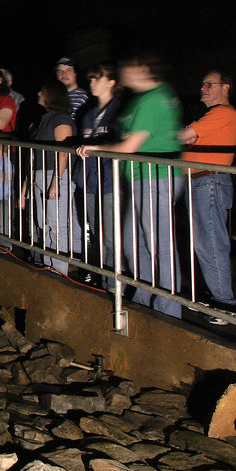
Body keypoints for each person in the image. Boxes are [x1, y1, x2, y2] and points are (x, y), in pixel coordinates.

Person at [77, 53, 184, 318]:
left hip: (155, 176)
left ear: (144, 69)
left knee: (158, 244)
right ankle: (146, 295)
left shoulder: (154, 98)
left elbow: (129, 146)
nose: (124, 72)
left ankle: (168, 308)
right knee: (132, 244)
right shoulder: (142, 100)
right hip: (139, 177)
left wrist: (96, 148)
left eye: (129, 67)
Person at [179, 70, 236, 323]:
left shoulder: (223, 113)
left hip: (210, 181)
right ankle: (212, 297)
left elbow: (185, 136)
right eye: (202, 84)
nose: (203, 88)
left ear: (225, 87)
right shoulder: (212, 115)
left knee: (213, 243)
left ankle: (224, 304)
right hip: (200, 181)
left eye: (209, 84)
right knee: (204, 243)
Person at [77, 63, 123, 275]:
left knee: (112, 235)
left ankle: (116, 281)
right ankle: (104, 277)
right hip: (90, 180)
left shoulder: (119, 111)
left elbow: (122, 144)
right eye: (91, 79)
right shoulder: (88, 114)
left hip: (111, 181)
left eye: (98, 78)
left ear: (111, 82)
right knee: (98, 233)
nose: (92, 83)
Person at [28, 81, 75, 275]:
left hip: (55, 176)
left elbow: (63, 152)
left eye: (43, 90)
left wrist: (56, 179)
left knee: (56, 225)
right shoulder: (46, 118)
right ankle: (50, 266)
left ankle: (60, 270)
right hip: (41, 175)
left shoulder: (61, 118)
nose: (39, 92)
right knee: (44, 223)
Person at [56, 57, 89, 121]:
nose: (64, 74)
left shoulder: (84, 97)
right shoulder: (52, 97)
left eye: (69, 70)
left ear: (75, 73)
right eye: (60, 71)